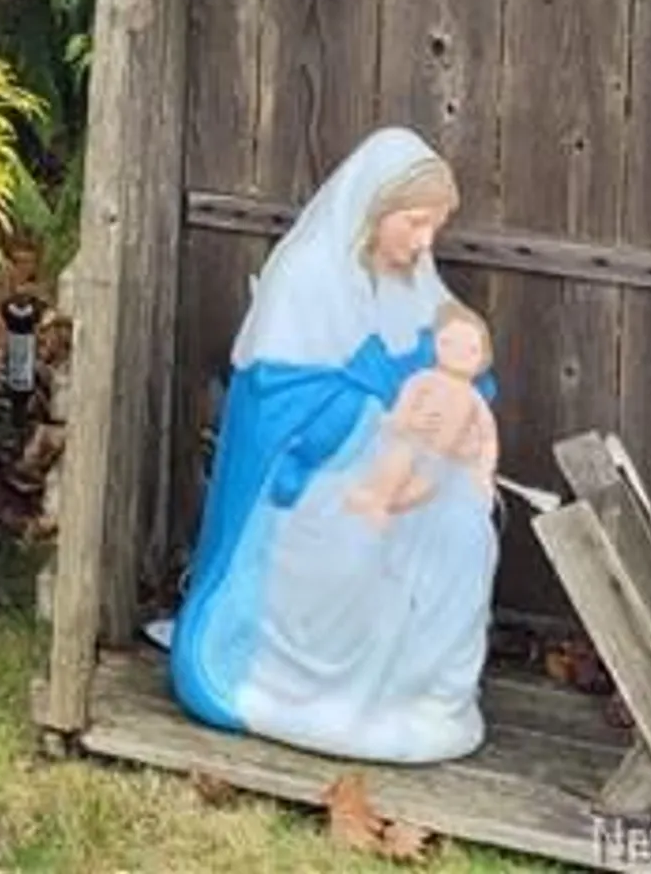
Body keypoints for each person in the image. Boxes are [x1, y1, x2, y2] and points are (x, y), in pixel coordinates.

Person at [169, 127, 500, 764]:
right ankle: (302, 686)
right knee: (356, 539)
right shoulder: (304, 280)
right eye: (414, 223)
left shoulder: (416, 282)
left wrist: (461, 404)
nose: (425, 241)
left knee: (462, 523)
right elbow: (281, 405)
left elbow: (464, 358)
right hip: (307, 484)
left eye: (436, 225)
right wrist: (378, 416)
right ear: (375, 212)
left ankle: (427, 696)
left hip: (400, 467)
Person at [340, 306, 500, 525]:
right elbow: (397, 416)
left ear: (483, 358)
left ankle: (385, 506)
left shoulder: (474, 399)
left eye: (471, 349)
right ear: (434, 345)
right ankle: (375, 494)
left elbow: (488, 438)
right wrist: (411, 423)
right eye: (448, 343)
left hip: (443, 459)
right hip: (415, 441)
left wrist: (483, 471)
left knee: (426, 487)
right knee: (397, 458)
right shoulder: (423, 381)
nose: (458, 353)